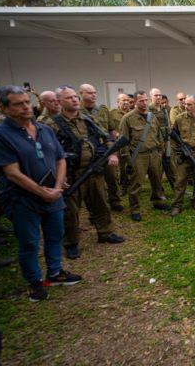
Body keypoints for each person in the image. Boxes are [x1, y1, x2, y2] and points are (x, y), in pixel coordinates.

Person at [0, 86, 81, 301]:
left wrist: (58, 187)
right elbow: (12, 173)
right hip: (23, 199)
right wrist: (41, 192)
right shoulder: (1, 135)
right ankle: (34, 282)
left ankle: (54, 272)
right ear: (4, 108)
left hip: (53, 195)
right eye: (18, 104)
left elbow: (60, 159)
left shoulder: (44, 129)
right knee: (30, 242)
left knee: (55, 235)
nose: (26, 107)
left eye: (26, 102)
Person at [46, 86, 125, 259]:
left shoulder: (87, 119)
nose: (74, 100)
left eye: (75, 97)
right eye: (69, 98)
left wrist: (111, 152)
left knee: (100, 202)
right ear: (59, 102)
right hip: (71, 175)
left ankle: (105, 232)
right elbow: (47, 154)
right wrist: (58, 178)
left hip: (93, 169)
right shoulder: (51, 125)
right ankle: (71, 243)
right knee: (71, 210)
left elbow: (106, 137)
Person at [119, 90, 170, 221]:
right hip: (138, 156)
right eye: (141, 100)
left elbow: (158, 133)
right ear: (135, 102)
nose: (144, 103)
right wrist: (128, 159)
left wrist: (160, 150)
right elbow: (123, 140)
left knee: (156, 179)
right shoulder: (127, 118)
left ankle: (157, 201)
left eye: (146, 100)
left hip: (154, 154)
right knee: (136, 184)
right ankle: (135, 209)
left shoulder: (152, 116)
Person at [78, 83, 123, 211]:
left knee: (112, 176)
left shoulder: (103, 109)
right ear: (81, 94)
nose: (94, 95)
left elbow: (111, 130)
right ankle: (95, 209)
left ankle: (115, 201)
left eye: (95, 92)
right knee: (92, 182)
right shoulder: (77, 112)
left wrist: (114, 151)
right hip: (88, 151)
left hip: (106, 148)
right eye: (89, 93)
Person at [171, 95, 195, 216]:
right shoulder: (179, 119)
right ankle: (177, 205)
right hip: (184, 155)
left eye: (190, 104)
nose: (186, 106)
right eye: (185, 104)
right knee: (180, 180)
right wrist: (178, 152)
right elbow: (173, 135)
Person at [149, 87, 175, 189]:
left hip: (166, 142)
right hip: (156, 143)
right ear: (151, 96)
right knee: (157, 170)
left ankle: (176, 189)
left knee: (171, 166)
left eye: (159, 95)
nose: (158, 97)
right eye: (156, 95)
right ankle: (158, 192)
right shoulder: (148, 110)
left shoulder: (164, 109)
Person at [110, 93, 132, 196]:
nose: (126, 102)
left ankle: (132, 185)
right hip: (118, 145)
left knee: (131, 165)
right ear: (118, 102)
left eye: (127, 100)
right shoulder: (112, 113)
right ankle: (122, 187)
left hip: (130, 144)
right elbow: (109, 128)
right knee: (121, 167)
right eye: (123, 100)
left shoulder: (132, 113)